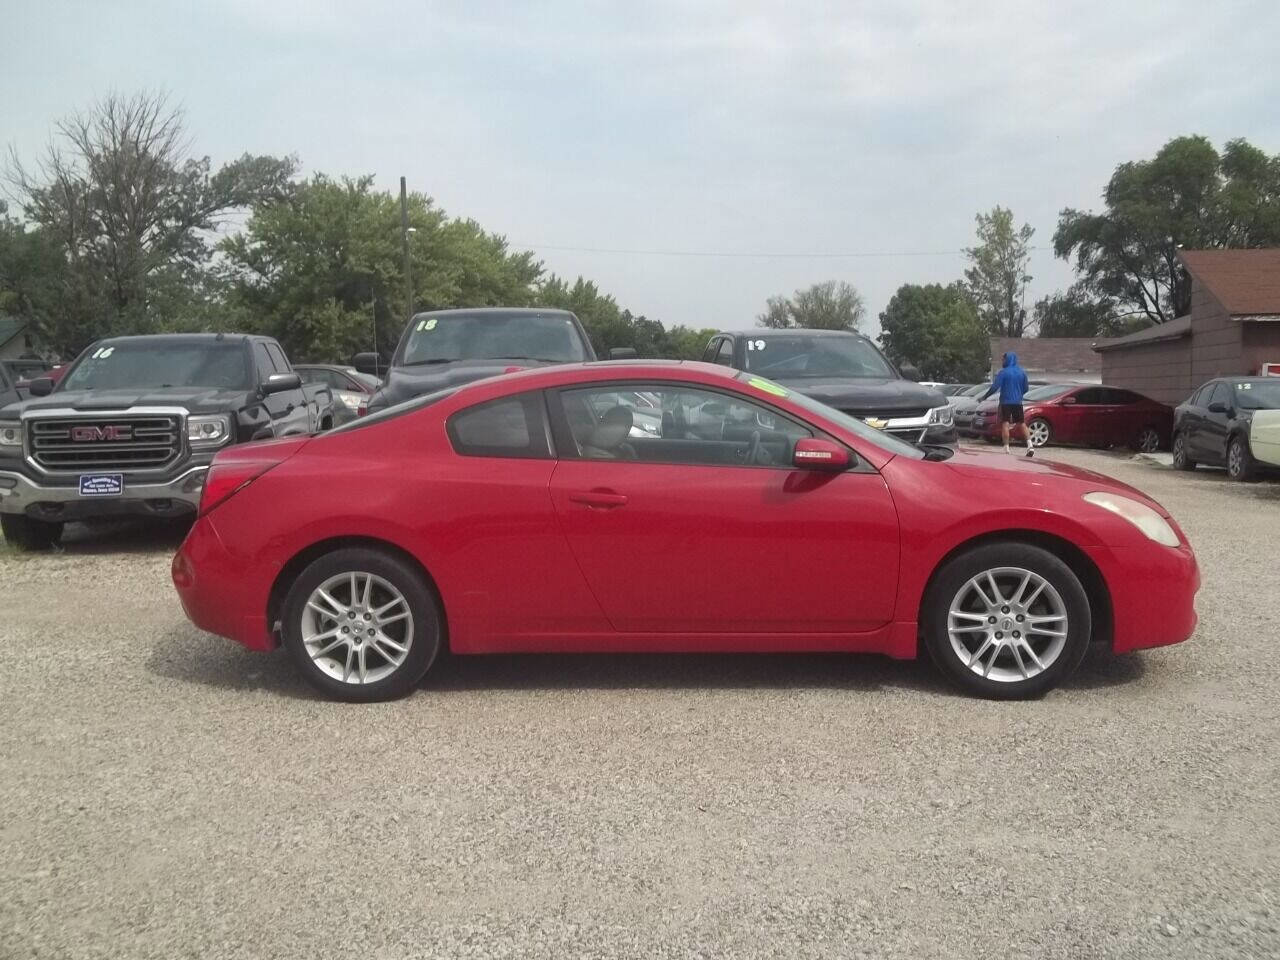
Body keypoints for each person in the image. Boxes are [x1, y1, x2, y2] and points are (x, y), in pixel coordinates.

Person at [980, 352, 1033, 456]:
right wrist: (1018, 394)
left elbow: (995, 387)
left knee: (1005, 423)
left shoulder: (1003, 372)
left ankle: (1007, 449)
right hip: (1017, 402)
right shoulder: (1022, 373)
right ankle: (1030, 446)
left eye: (1003, 360)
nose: (1002, 362)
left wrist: (985, 397)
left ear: (1007, 359)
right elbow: (1026, 388)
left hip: (1006, 402)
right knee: (1022, 423)